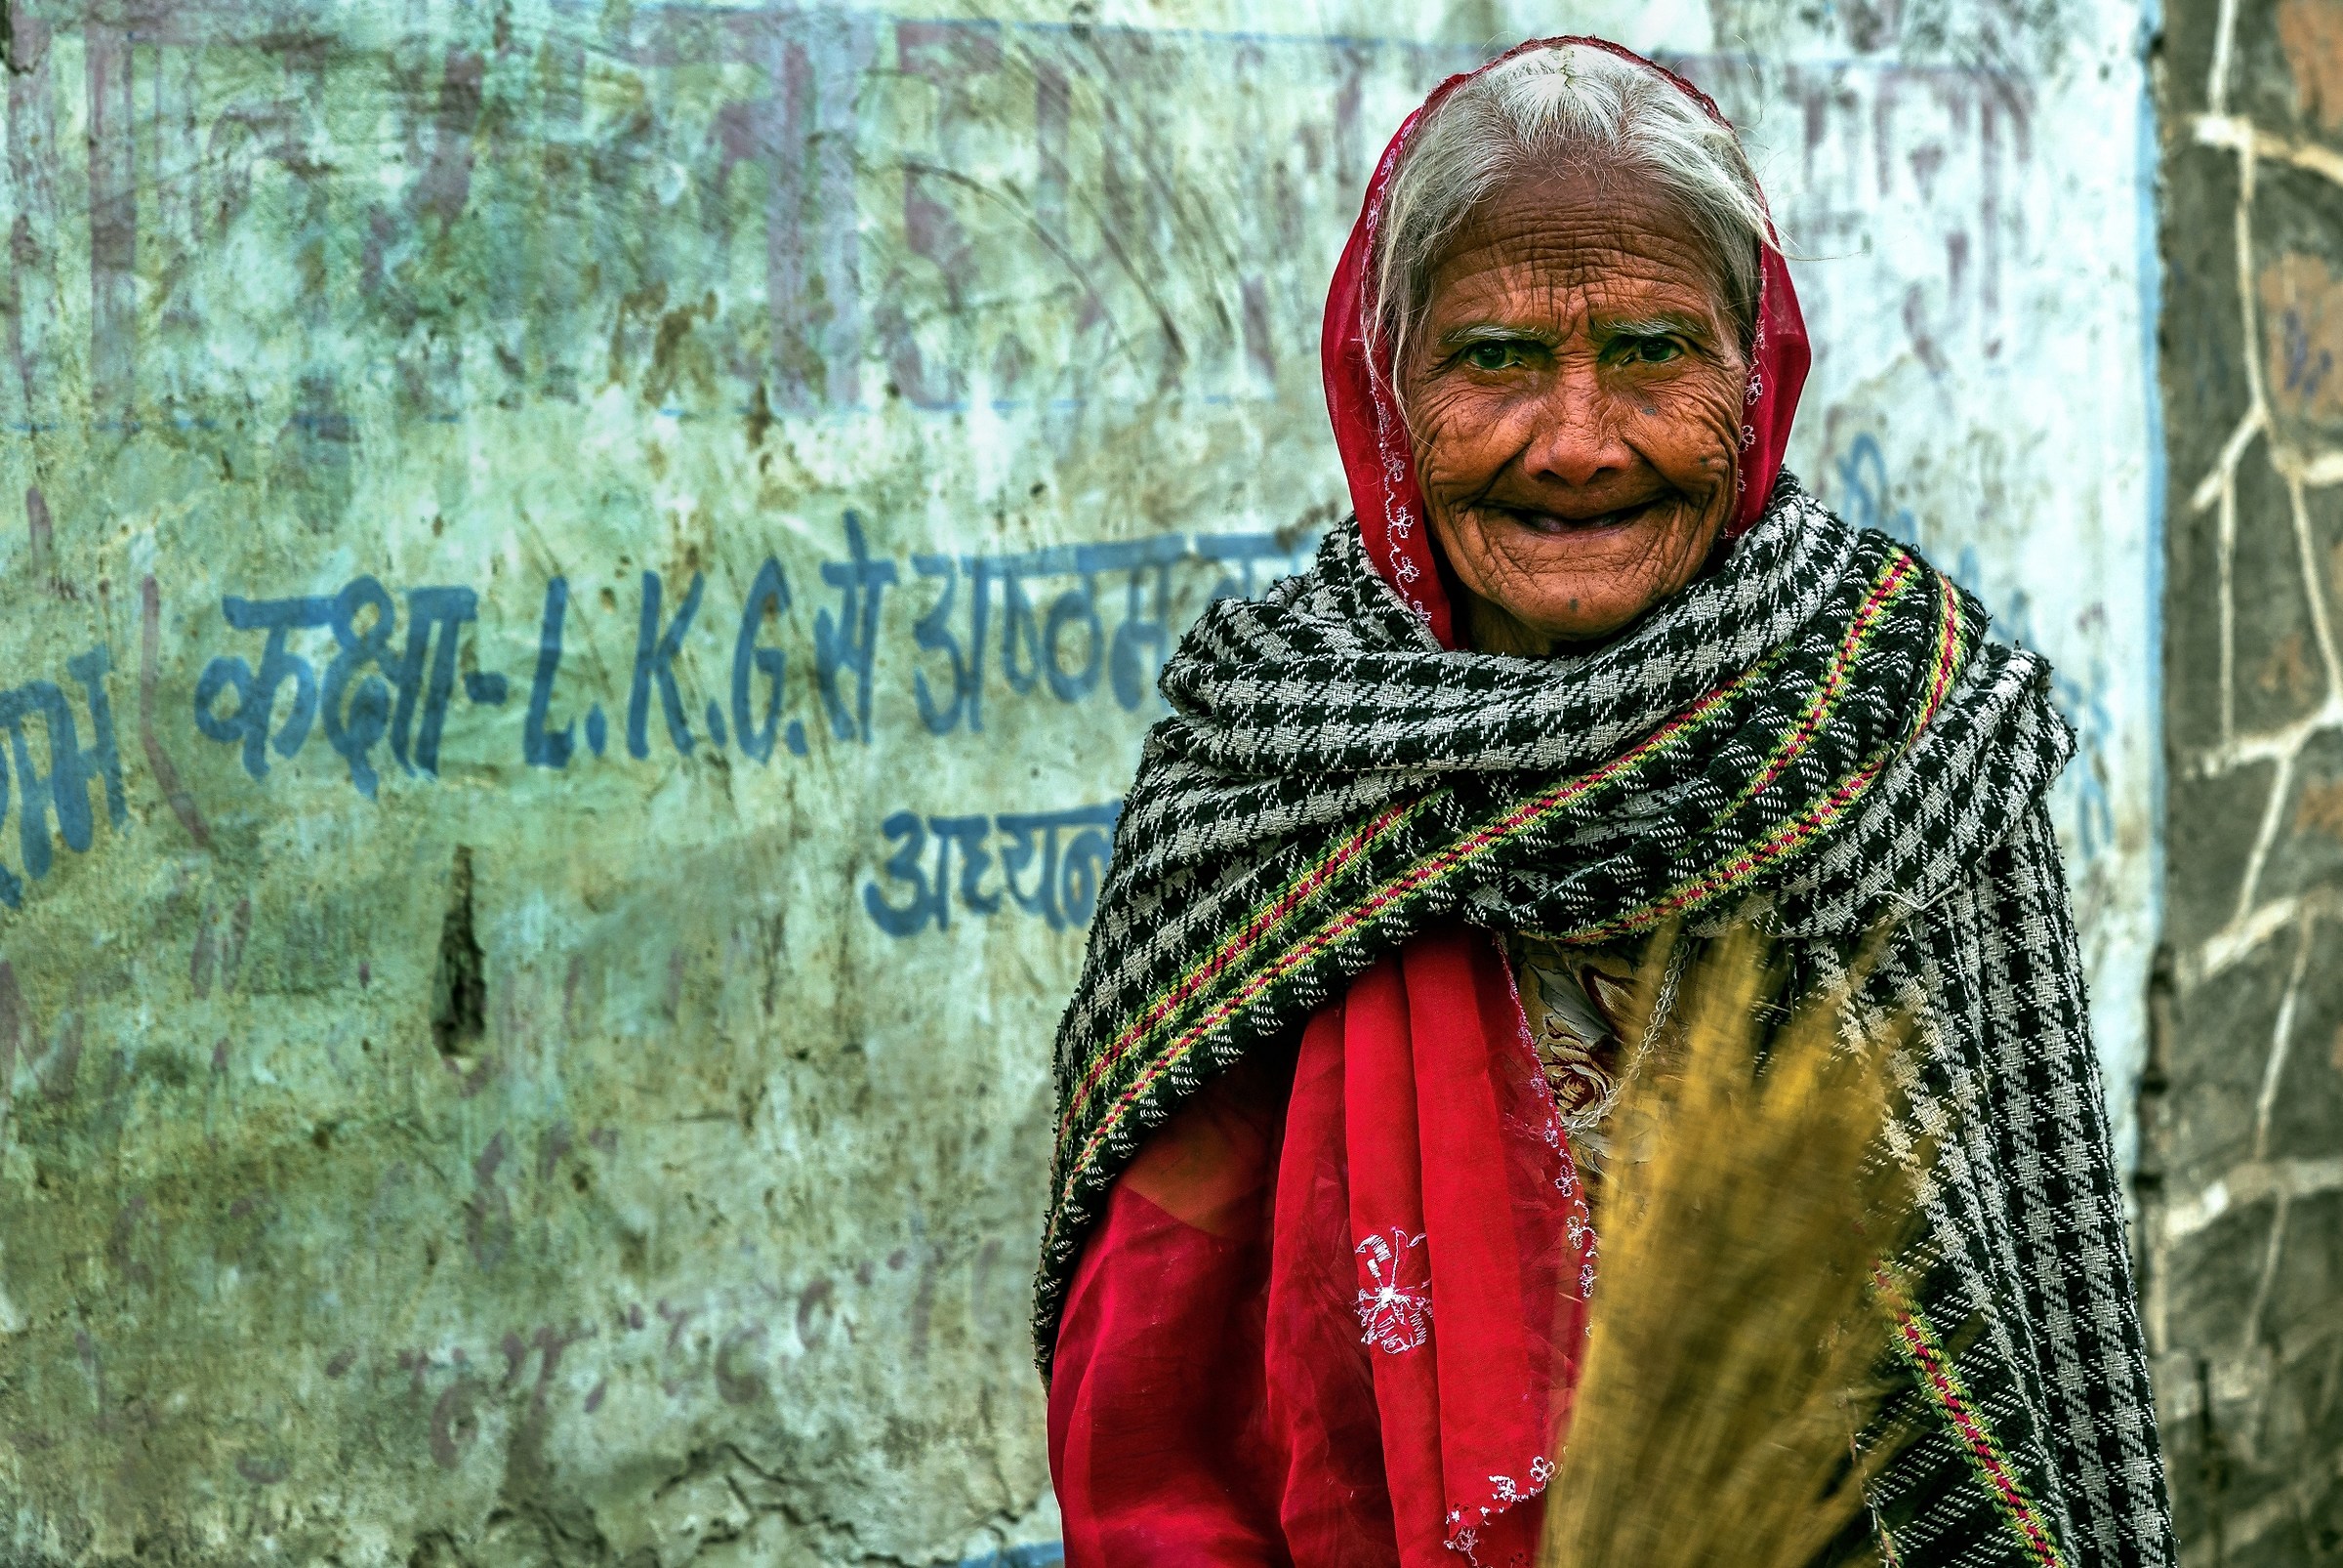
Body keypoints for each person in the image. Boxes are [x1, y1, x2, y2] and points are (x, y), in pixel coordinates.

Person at [1036, 37, 2175, 1568]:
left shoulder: (1899, 713)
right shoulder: (1267, 765)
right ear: (1386, 392)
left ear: (1752, 375)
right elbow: (1154, 1410)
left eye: (1651, 349)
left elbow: (2031, 1288)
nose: (1578, 443)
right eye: (1495, 359)